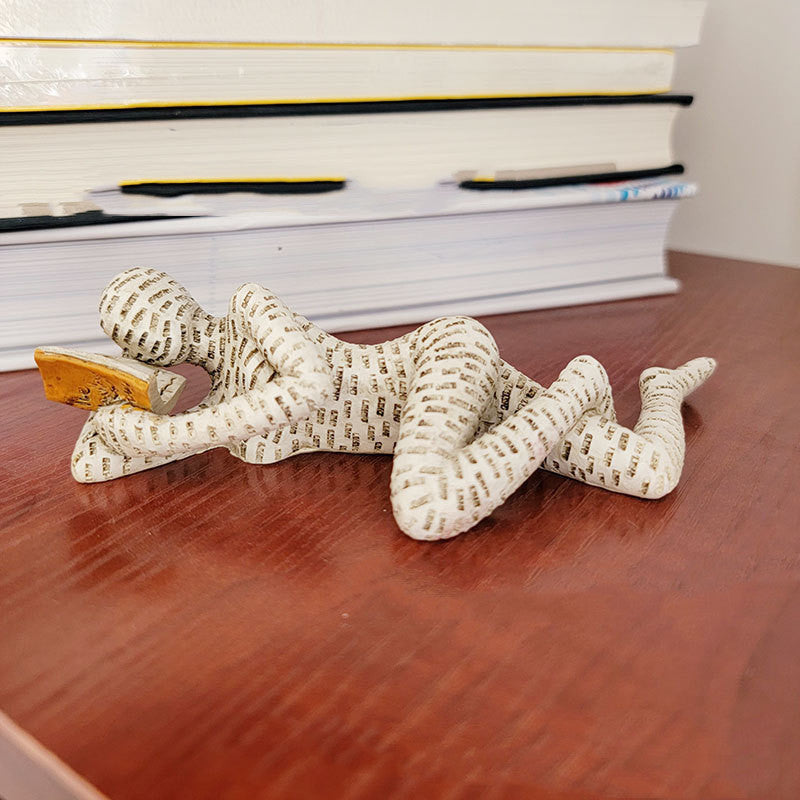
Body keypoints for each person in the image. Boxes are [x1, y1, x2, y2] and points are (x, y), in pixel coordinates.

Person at [73, 267, 715, 540]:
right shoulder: (209, 407)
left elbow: (309, 389)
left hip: (436, 362)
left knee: (427, 506)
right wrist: (112, 414)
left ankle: (578, 384)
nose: (148, 330)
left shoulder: (248, 306)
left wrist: (166, 434)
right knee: (652, 471)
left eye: (147, 308)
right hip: (455, 426)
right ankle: (655, 388)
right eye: (127, 332)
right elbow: (88, 468)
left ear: (177, 297)